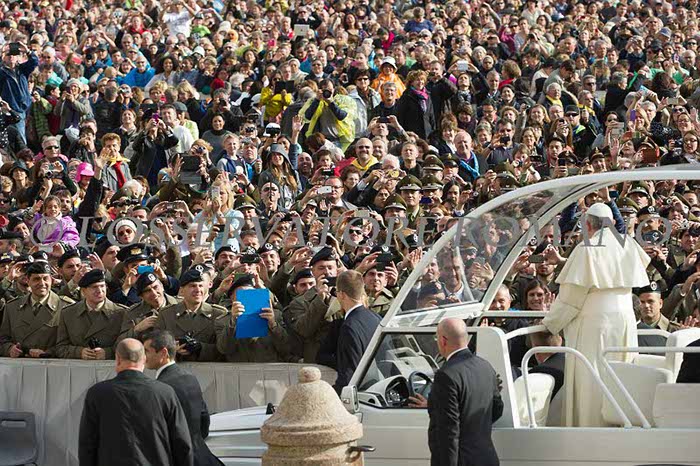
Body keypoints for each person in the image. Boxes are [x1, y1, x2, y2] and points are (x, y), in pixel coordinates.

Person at [542, 203, 651, 427]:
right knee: (620, 374)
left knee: (593, 377)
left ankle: (592, 428)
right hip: (624, 320)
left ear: (588, 225)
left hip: (596, 324)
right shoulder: (627, 243)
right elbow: (610, 266)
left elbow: (570, 299)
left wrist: (549, 324)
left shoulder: (587, 247)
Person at [78, 338, 193, 466]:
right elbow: (182, 444)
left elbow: (87, 445)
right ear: (144, 359)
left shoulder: (97, 394)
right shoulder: (165, 393)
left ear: (118, 359)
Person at [410, 318, 503, 466]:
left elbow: (449, 431)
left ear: (443, 341)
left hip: (461, 460)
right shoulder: (485, 366)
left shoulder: (446, 375)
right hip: (486, 457)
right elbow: (496, 409)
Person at [144, 330, 224, 466]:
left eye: (147, 351)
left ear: (163, 353)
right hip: (202, 457)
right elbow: (204, 422)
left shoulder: (159, 388)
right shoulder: (190, 378)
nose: (143, 356)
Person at [0, 261, 74, 357]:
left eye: (45, 279)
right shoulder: (12, 307)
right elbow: (3, 339)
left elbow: (72, 342)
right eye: (36, 279)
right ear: (28, 281)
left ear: (51, 280)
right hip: (19, 363)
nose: (42, 283)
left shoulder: (66, 307)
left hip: (51, 363)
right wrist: (10, 349)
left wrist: (49, 352)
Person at [332, 270, 382, 393]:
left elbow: (349, 374)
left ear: (341, 295)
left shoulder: (349, 327)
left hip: (362, 394)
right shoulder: (376, 318)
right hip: (379, 387)